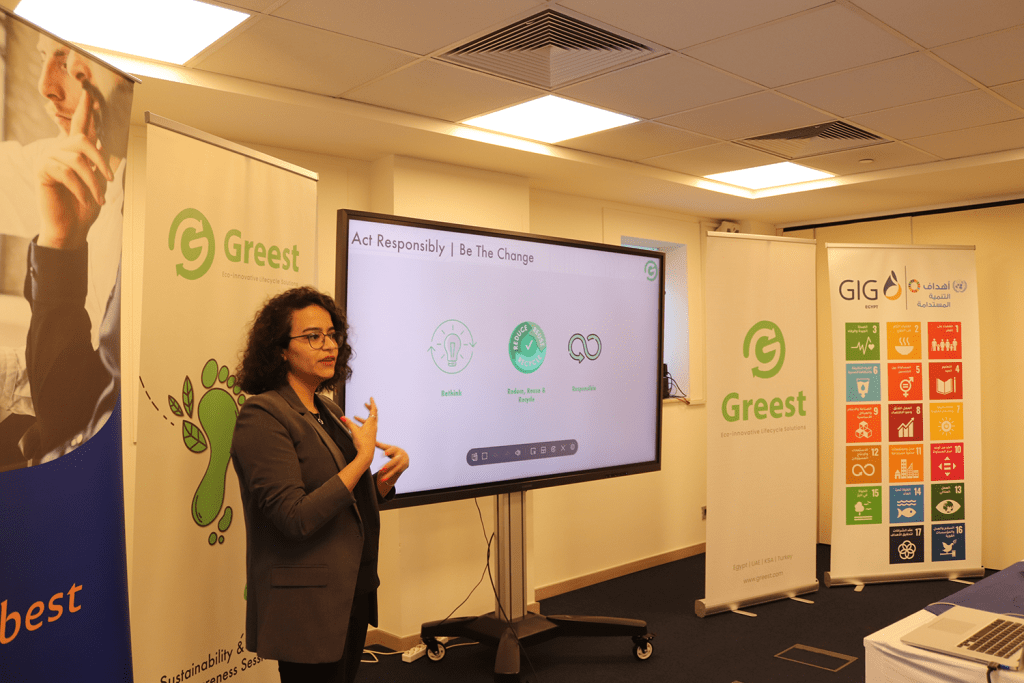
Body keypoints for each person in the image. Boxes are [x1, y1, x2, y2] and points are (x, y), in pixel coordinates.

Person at [231, 287, 409, 683]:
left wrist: (382, 479)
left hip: (352, 587)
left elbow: (344, 499)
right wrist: (362, 459)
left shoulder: (327, 408)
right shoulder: (262, 415)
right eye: (313, 336)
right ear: (280, 349)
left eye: (331, 335)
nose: (328, 345)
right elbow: (295, 517)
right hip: (306, 601)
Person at [1, 34, 132, 464]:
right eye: (45, 58)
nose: (46, 86)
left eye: (66, 58)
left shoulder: (156, 207)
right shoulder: (59, 163)